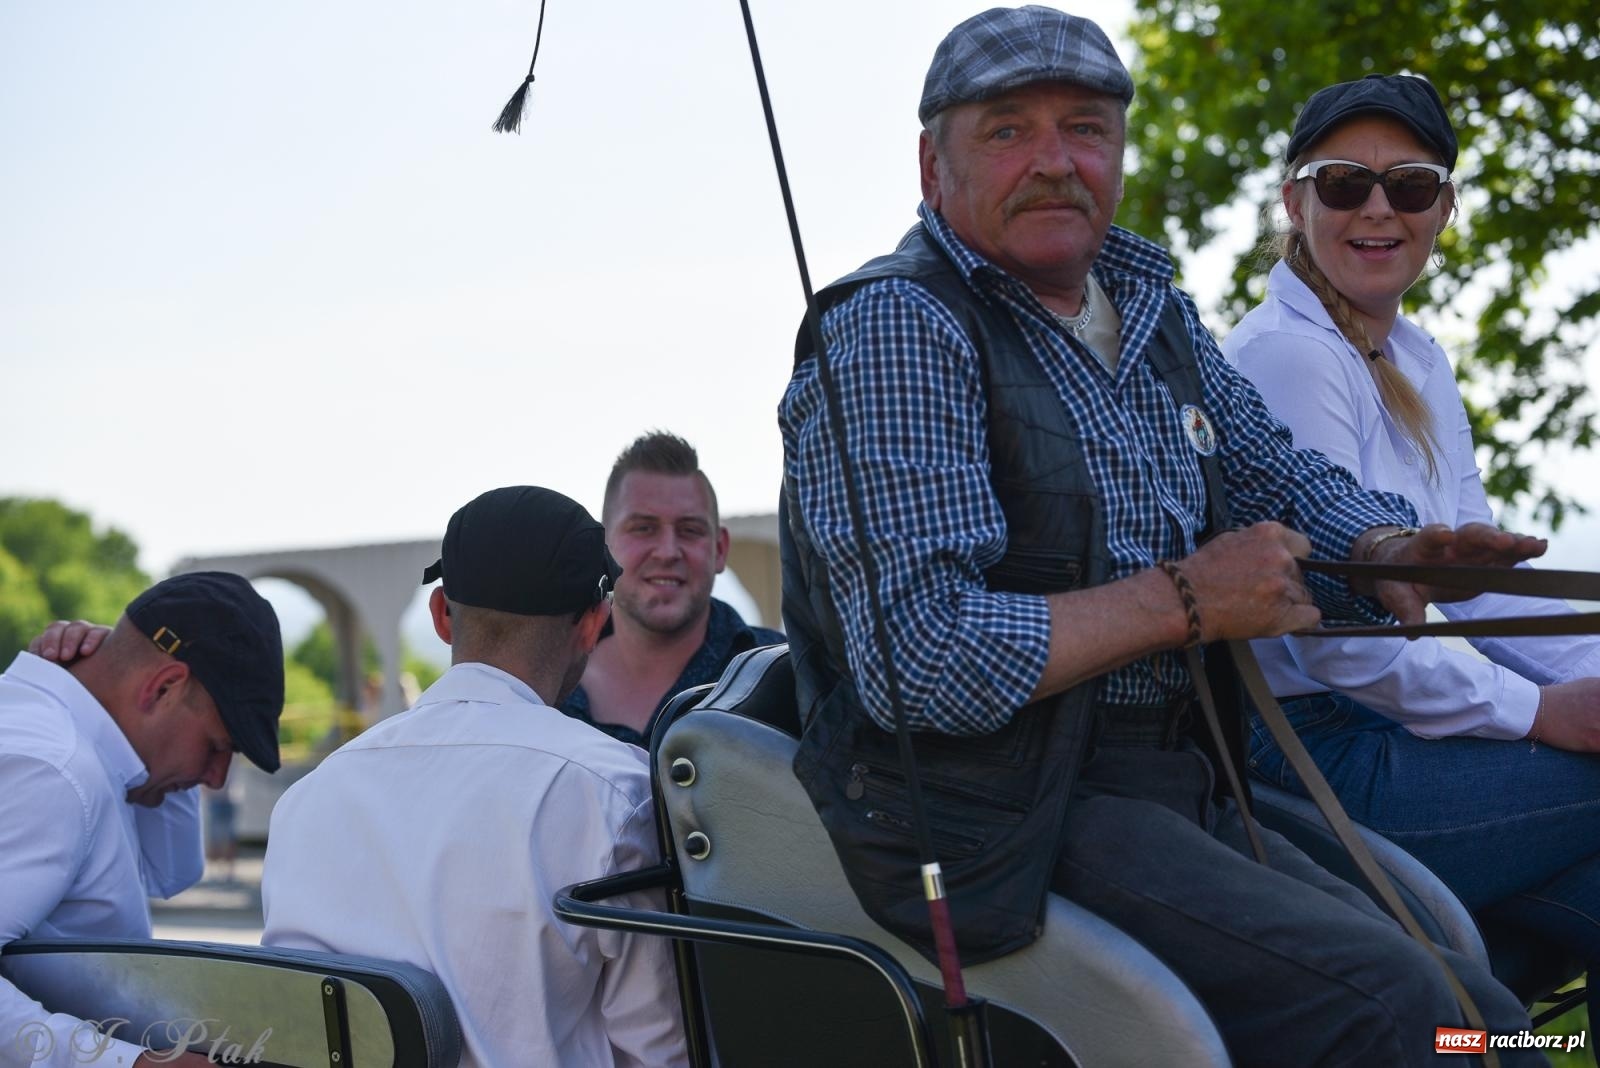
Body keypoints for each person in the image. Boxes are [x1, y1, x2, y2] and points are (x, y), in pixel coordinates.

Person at [778, 8, 1549, 1066]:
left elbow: (1274, 474)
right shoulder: (898, 327)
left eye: (1085, 128)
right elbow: (919, 662)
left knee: (1482, 1015)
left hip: (1176, 778)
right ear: (932, 163)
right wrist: (1183, 601)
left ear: (1120, 152)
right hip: (1003, 811)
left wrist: (1381, 550)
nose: (1055, 162)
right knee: (1398, 1006)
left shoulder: (1148, 307)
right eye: (1008, 130)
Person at [1221, 73, 1600, 1022]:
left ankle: (1494, 1022)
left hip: (1403, 726)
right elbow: (1339, 633)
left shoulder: (1418, 357)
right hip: (1323, 750)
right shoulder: (1290, 356)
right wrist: (1540, 712)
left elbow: (1474, 589)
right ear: (1295, 202)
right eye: (1346, 183)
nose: (1378, 208)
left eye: (1413, 185)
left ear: (1444, 209)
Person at [260, 486, 688, 1068]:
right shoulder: (617, 793)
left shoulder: (308, 799)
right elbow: (661, 1046)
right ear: (593, 624)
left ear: (441, 614)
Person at [1, 571, 284, 1068]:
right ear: (163, 687)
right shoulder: (56, 772)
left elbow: (171, 871)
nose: (216, 779)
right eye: (219, 746)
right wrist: (128, 1063)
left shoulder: (73, 743)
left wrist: (108, 683)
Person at [562, 431, 783, 746]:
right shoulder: (544, 680)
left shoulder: (782, 676)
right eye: (643, 528)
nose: (667, 551)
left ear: (719, 549)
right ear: (602, 546)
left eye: (689, 530)